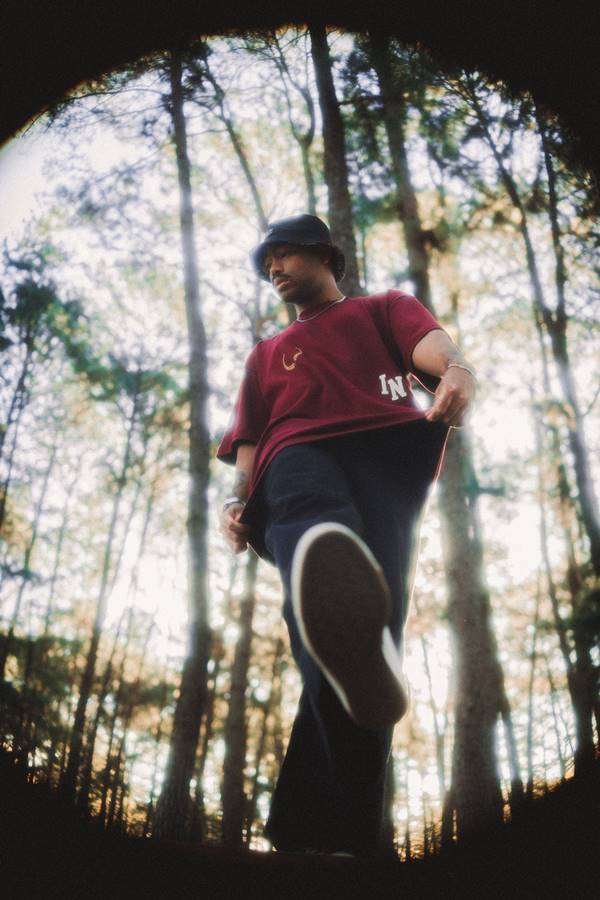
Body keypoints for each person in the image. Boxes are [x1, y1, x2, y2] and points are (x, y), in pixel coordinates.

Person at [217, 214, 476, 858]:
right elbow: (250, 438)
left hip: (388, 464)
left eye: (283, 256)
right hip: (293, 463)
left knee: (367, 650)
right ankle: (317, 547)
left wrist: (456, 371)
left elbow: (432, 347)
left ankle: (332, 839)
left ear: (324, 256)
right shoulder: (265, 354)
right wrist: (236, 500)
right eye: (266, 264)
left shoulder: (384, 307)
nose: (273, 270)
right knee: (314, 516)